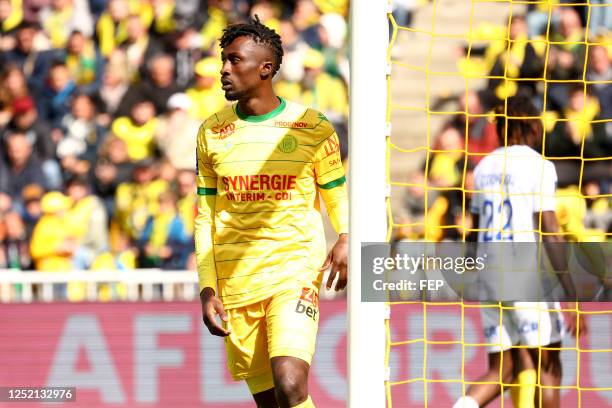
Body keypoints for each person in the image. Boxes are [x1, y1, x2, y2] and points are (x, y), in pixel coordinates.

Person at [195, 16, 348, 408]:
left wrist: (346, 235)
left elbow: (336, 194)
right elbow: (206, 217)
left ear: (265, 68)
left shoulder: (311, 127)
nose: (223, 70)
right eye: (223, 61)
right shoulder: (211, 133)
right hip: (237, 283)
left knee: (292, 384)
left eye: (234, 61)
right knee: (272, 401)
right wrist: (207, 288)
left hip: (293, 271)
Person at [453, 96, 588, 408]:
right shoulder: (538, 165)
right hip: (525, 275)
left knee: (501, 369)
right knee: (548, 370)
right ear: (532, 127)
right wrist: (571, 295)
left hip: (489, 276)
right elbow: (550, 229)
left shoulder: (484, 166)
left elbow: (473, 232)